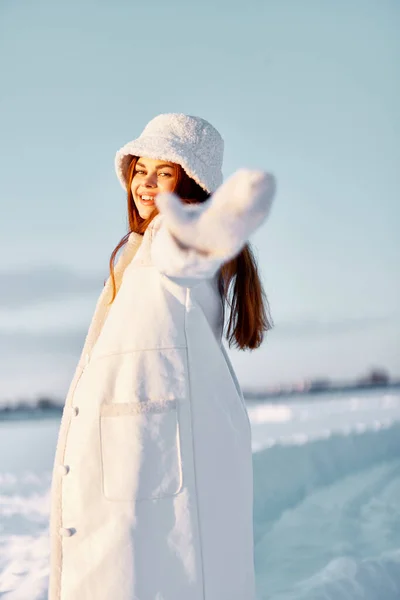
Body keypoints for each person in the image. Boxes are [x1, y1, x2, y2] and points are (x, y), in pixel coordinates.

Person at [48, 113, 276, 600]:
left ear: (191, 184)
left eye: (164, 173)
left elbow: (189, 248)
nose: (145, 185)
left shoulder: (173, 249)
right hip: (135, 463)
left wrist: (212, 224)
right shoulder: (136, 255)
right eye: (140, 170)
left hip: (147, 475)